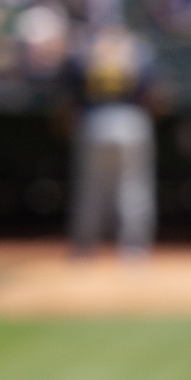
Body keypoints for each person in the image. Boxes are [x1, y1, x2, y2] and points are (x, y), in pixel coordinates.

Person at [65, 23, 158, 260]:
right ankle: (134, 250)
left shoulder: (89, 52)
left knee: (91, 189)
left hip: (95, 120)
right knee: (133, 189)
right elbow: (152, 91)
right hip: (131, 119)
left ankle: (84, 249)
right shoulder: (137, 51)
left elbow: (71, 90)